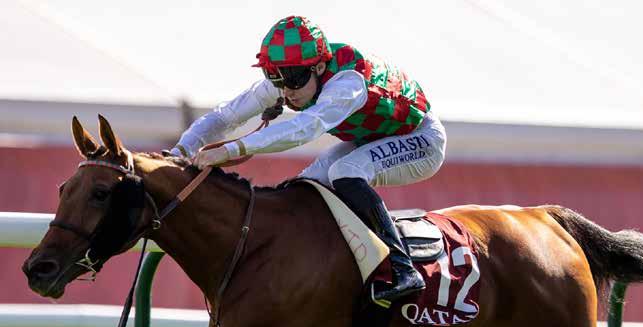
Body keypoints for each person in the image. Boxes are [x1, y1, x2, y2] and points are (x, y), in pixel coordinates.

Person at [170, 15, 447, 306]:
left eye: (293, 78)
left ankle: (403, 269)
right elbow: (225, 116)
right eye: (276, 79)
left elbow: (304, 128)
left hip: (422, 139)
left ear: (319, 66)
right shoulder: (295, 77)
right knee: (304, 187)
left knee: (345, 171)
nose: (286, 90)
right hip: (374, 137)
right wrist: (178, 153)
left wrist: (231, 150)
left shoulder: (347, 83)